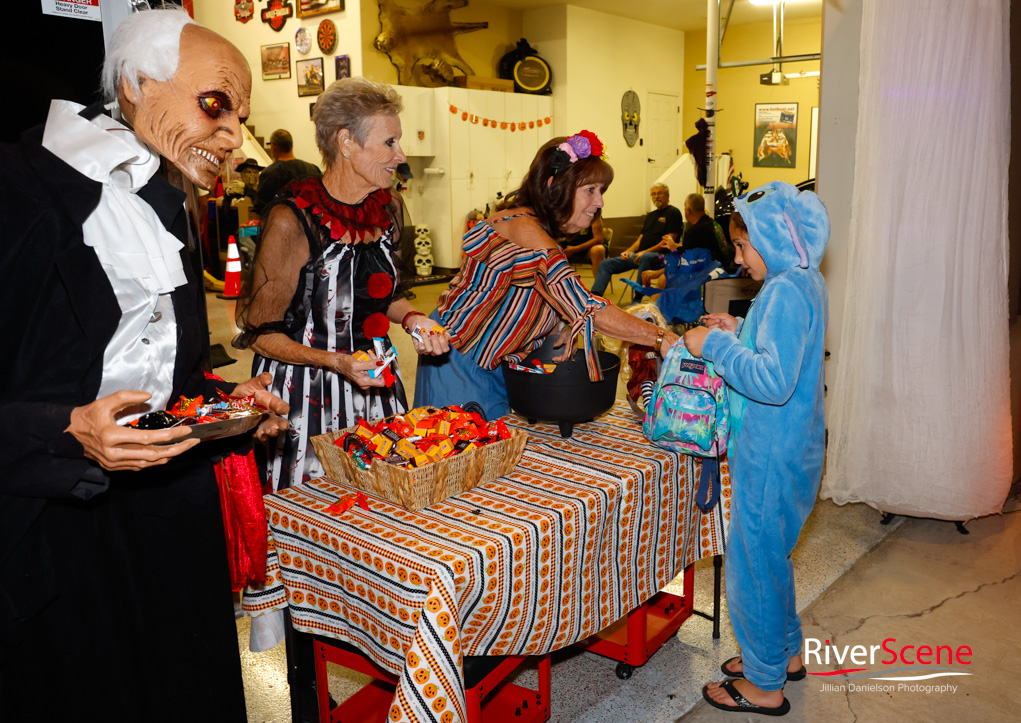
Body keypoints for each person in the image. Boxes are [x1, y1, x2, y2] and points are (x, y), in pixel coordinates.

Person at [0, 7, 289, 721]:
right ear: (135, 84)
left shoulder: (169, 203)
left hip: (166, 508)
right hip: (54, 519)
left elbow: (171, 372)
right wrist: (65, 426)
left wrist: (228, 398)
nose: (234, 137)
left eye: (241, 117)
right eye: (215, 104)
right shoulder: (18, 189)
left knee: (183, 677)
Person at [235, 77, 448, 492]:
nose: (400, 156)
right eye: (390, 143)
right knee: (316, 511)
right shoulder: (293, 219)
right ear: (346, 142)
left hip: (374, 384)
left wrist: (416, 320)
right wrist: (336, 362)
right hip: (305, 396)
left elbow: (381, 295)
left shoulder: (387, 208)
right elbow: (261, 335)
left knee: (382, 503)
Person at [683, 181, 829, 716]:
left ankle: (765, 684)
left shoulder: (786, 290)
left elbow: (773, 381)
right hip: (794, 447)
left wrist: (716, 345)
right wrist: (740, 329)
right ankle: (781, 654)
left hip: (772, 454)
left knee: (751, 564)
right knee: (772, 558)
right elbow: (785, 348)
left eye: (744, 247)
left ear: (774, 240)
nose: (738, 258)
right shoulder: (803, 282)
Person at [414, 131, 679, 420]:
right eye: (590, 190)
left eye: (602, 191)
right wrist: (661, 338)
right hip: (460, 361)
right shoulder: (525, 229)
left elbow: (535, 293)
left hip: (487, 361)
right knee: (463, 455)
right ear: (555, 187)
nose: (600, 202)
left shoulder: (534, 228)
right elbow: (586, 306)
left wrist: (564, 321)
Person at [590, 182, 683, 299]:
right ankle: (595, 297)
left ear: (667, 195)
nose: (656, 196)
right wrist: (628, 251)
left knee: (646, 256)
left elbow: (668, 242)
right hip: (640, 255)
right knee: (606, 264)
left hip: (661, 257)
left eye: (660, 193)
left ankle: (637, 299)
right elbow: (640, 240)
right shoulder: (651, 216)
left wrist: (645, 252)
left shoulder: (673, 213)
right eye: (653, 194)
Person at [252, 128, 321, 216]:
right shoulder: (313, 169)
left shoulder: (270, 173)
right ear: (291, 145)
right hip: (311, 224)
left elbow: (262, 207)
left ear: (273, 146)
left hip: (282, 225)